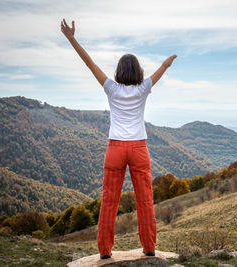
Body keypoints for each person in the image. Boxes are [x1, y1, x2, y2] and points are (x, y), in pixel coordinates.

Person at [60, 19, 176, 259]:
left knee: (109, 201)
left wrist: (72, 39)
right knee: (145, 200)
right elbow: (161, 71)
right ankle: (149, 247)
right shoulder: (143, 88)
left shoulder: (111, 88)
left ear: (119, 71)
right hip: (139, 148)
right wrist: (166, 63)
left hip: (115, 149)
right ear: (139, 72)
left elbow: (89, 63)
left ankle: (104, 251)